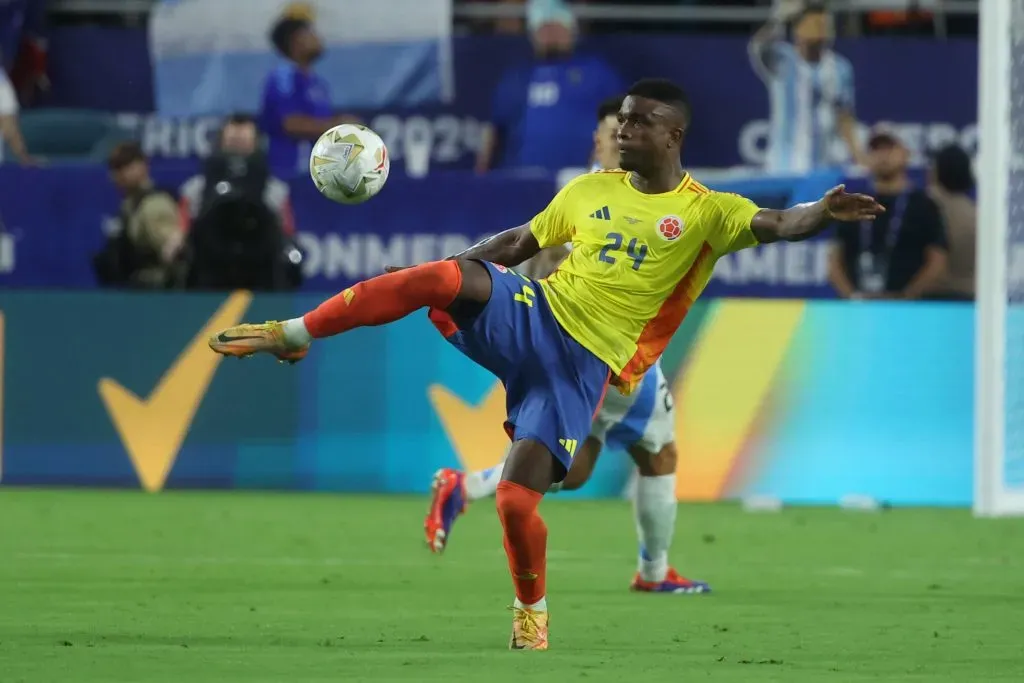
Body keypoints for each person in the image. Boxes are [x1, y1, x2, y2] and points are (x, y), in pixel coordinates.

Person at [209, 78, 883, 650]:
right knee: (438, 280)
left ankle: (532, 613)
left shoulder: (709, 213)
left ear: (674, 135)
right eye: (622, 120)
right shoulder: (589, 192)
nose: (624, 130)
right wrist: (440, 267)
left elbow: (781, 224)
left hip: (582, 368)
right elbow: (515, 242)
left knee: (516, 498)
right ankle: (294, 331)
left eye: (641, 123)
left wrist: (820, 212)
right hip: (535, 311)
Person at [424, 95, 709, 597]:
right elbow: (525, 253)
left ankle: (465, 486)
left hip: (567, 355)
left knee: (574, 468)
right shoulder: (596, 198)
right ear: (597, 141)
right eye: (614, 129)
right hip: (604, 353)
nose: (623, 136)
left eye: (630, 127)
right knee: (658, 451)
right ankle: (654, 571)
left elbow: (519, 252)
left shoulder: (601, 193)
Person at [475, 0, 623, 173]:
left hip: (578, 178)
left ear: (571, 32)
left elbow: (619, 123)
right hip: (523, 178)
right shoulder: (516, 78)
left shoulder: (597, 72)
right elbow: (494, 132)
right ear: (533, 35)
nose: (551, 35)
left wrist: (601, 169)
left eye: (557, 28)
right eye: (544, 29)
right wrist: (480, 178)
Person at [828, 127, 948, 300]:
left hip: (907, 310)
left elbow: (937, 261)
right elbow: (834, 260)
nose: (883, 156)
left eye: (889, 148)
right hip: (858, 306)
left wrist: (908, 297)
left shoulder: (924, 205)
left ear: (905, 154)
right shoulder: (853, 203)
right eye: (876, 150)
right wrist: (851, 298)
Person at [749, 2, 863, 173]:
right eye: (815, 23)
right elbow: (758, 47)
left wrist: (859, 157)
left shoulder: (840, 68)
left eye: (826, 24)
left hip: (825, 167)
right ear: (798, 29)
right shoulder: (781, 59)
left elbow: (844, 117)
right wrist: (778, 19)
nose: (821, 28)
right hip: (785, 167)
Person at [260, 13, 357, 178]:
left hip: (318, 173)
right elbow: (290, 123)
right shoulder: (283, 77)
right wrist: (339, 126)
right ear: (295, 41)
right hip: (289, 172)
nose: (317, 38)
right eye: (310, 33)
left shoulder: (318, 83)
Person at [926, 144, 975, 301]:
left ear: (937, 172)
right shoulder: (976, 213)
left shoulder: (926, 205)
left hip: (931, 298)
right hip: (970, 299)